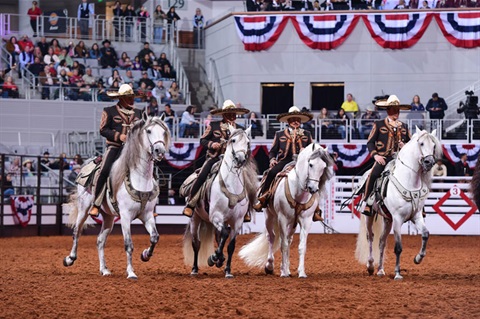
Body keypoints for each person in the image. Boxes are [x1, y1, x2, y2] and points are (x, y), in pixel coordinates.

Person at [182, 100, 251, 220]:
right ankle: (191, 203)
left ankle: (246, 210)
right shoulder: (213, 126)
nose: (231, 117)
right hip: (215, 158)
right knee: (202, 176)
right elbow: (202, 140)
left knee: (248, 179)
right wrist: (211, 144)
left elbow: (245, 145)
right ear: (223, 115)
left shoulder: (241, 129)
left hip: (234, 162)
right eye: (228, 114)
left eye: (233, 114)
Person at [252, 106, 323, 222]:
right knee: (271, 172)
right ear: (288, 121)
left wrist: (305, 152)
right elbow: (273, 151)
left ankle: (316, 209)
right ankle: (264, 197)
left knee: (314, 179)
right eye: (293, 119)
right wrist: (272, 160)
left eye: (298, 119)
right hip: (285, 161)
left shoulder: (307, 134)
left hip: (303, 163)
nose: (296, 121)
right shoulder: (280, 134)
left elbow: (313, 151)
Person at [90, 84, 142, 217]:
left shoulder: (138, 113)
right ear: (121, 98)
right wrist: (119, 136)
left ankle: (148, 206)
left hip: (133, 150)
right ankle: (96, 204)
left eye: (132, 97)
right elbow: (103, 130)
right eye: (128, 97)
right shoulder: (109, 111)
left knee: (147, 171)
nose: (131, 100)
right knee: (105, 170)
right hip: (115, 147)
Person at [362, 95, 412, 216]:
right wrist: (375, 156)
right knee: (373, 174)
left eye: (398, 111)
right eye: (394, 110)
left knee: (414, 175)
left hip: (400, 159)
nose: (396, 113)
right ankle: (368, 203)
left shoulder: (404, 126)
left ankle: (418, 204)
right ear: (388, 111)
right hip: (383, 158)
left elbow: (411, 145)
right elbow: (370, 142)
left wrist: (404, 146)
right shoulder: (379, 124)